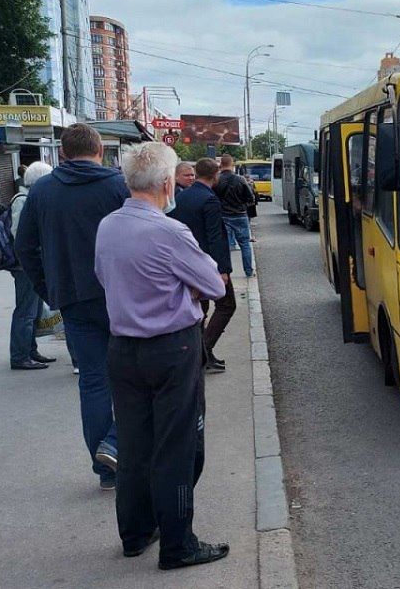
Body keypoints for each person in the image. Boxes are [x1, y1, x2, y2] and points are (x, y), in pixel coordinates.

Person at [95, 142, 230, 570]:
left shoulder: (108, 225)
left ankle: (135, 533)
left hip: (123, 349)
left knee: (135, 444)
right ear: (168, 183)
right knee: (178, 445)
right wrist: (183, 286)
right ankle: (178, 542)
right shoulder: (169, 231)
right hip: (172, 348)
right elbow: (214, 284)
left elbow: (105, 277)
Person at [15, 123, 129, 491]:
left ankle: (106, 469)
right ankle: (115, 443)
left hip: (72, 299)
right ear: (99, 150)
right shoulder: (116, 185)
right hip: (120, 296)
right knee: (133, 376)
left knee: (94, 382)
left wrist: (47, 286)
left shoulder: (43, 190)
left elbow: (24, 246)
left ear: (62, 153)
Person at [170, 158, 234, 373]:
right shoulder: (209, 200)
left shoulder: (182, 196)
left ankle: (200, 355)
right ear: (216, 175)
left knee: (201, 309)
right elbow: (215, 237)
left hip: (186, 262)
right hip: (208, 264)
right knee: (226, 305)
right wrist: (223, 270)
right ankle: (203, 352)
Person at [8, 161, 57, 371]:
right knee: (26, 310)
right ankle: (20, 355)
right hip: (24, 265)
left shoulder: (30, 198)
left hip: (32, 262)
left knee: (34, 309)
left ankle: (30, 349)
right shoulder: (23, 200)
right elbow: (20, 234)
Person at [213, 155, 255, 277]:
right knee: (245, 244)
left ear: (221, 164)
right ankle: (248, 271)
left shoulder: (216, 180)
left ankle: (224, 272)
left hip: (223, 216)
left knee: (223, 246)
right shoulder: (240, 179)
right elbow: (250, 197)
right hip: (240, 215)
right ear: (232, 165)